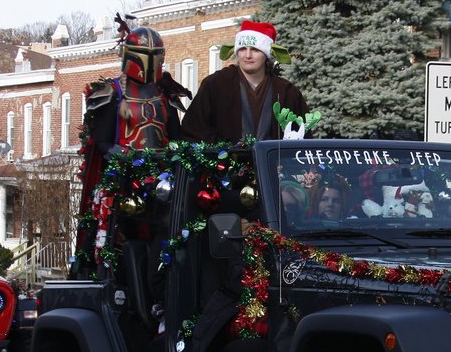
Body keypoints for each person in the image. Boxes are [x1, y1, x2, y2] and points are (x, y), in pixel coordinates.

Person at [71, 16, 191, 279]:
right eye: (143, 54)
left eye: (154, 55)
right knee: (116, 243)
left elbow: (176, 139)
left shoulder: (165, 94)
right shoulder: (111, 93)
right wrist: (123, 157)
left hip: (162, 183)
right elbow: (101, 142)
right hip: (121, 182)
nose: (148, 61)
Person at [180, 21, 309, 143]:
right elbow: (193, 128)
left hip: (273, 165)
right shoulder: (216, 84)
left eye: (255, 49)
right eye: (242, 49)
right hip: (224, 164)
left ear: (266, 54)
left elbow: (303, 136)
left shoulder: (286, 91)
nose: (247, 55)